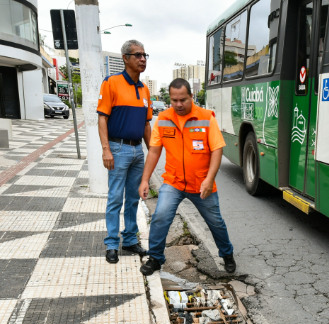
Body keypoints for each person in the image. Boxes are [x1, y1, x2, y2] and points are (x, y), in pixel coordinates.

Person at [138, 78, 236, 276]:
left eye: (183, 99)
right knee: (160, 216)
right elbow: (154, 152)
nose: (178, 104)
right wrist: (145, 179)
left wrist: (209, 179)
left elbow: (217, 150)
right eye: (174, 100)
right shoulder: (164, 118)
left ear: (191, 96)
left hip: (201, 184)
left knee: (215, 222)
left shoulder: (206, 117)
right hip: (173, 182)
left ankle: (227, 254)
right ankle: (156, 258)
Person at [97, 39, 152, 264]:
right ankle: (112, 243)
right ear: (125, 58)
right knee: (115, 198)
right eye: (138, 55)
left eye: (144, 55)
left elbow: (147, 125)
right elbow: (102, 118)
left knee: (133, 198)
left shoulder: (145, 88)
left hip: (138, 149)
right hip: (117, 149)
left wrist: (153, 152)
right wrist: (106, 150)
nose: (142, 59)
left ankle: (129, 239)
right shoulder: (111, 83)